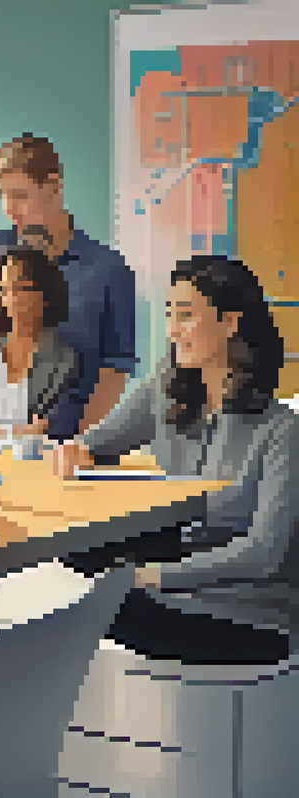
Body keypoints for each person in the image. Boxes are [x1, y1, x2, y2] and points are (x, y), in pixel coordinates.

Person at [54, 255, 298, 665]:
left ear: (230, 322)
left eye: (186, 316)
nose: (173, 330)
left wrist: (154, 577)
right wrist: (77, 451)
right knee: (74, 562)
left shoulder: (281, 430)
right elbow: (96, 443)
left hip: (252, 609)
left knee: (86, 610)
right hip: (179, 570)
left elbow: (262, 554)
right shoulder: (165, 393)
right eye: (169, 315)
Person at [0, 134, 137, 435]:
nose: (9, 208)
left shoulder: (109, 270)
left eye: (20, 196)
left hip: (69, 443)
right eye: (2, 195)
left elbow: (115, 370)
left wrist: (82, 443)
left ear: (54, 187)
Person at [0, 244, 84, 442]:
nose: (11, 299)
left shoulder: (65, 360)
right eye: (4, 289)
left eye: (21, 288)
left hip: (30, 467)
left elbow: (55, 429)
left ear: (45, 294)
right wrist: (16, 433)